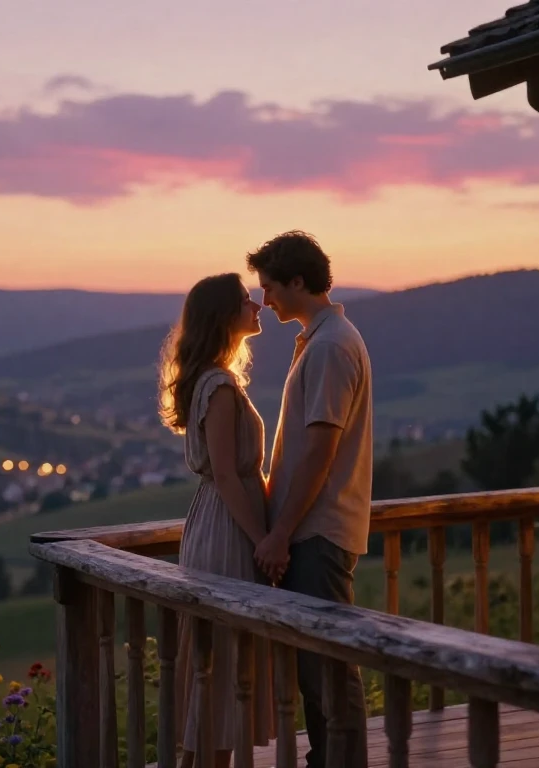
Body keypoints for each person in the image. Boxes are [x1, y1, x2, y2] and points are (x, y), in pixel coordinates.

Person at [247, 231, 372, 768]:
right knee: (319, 673)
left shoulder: (327, 346)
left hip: (318, 531)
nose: (264, 299)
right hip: (314, 529)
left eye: (270, 287)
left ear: (298, 281)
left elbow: (319, 451)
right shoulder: (322, 340)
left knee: (329, 675)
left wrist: (280, 532)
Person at [158, 272, 276, 768]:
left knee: (213, 664)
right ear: (225, 317)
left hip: (213, 522)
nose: (258, 308)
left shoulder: (207, 379)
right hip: (229, 529)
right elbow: (228, 476)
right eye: (248, 302)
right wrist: (266, 540)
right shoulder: (221, 386)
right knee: (225, 663)